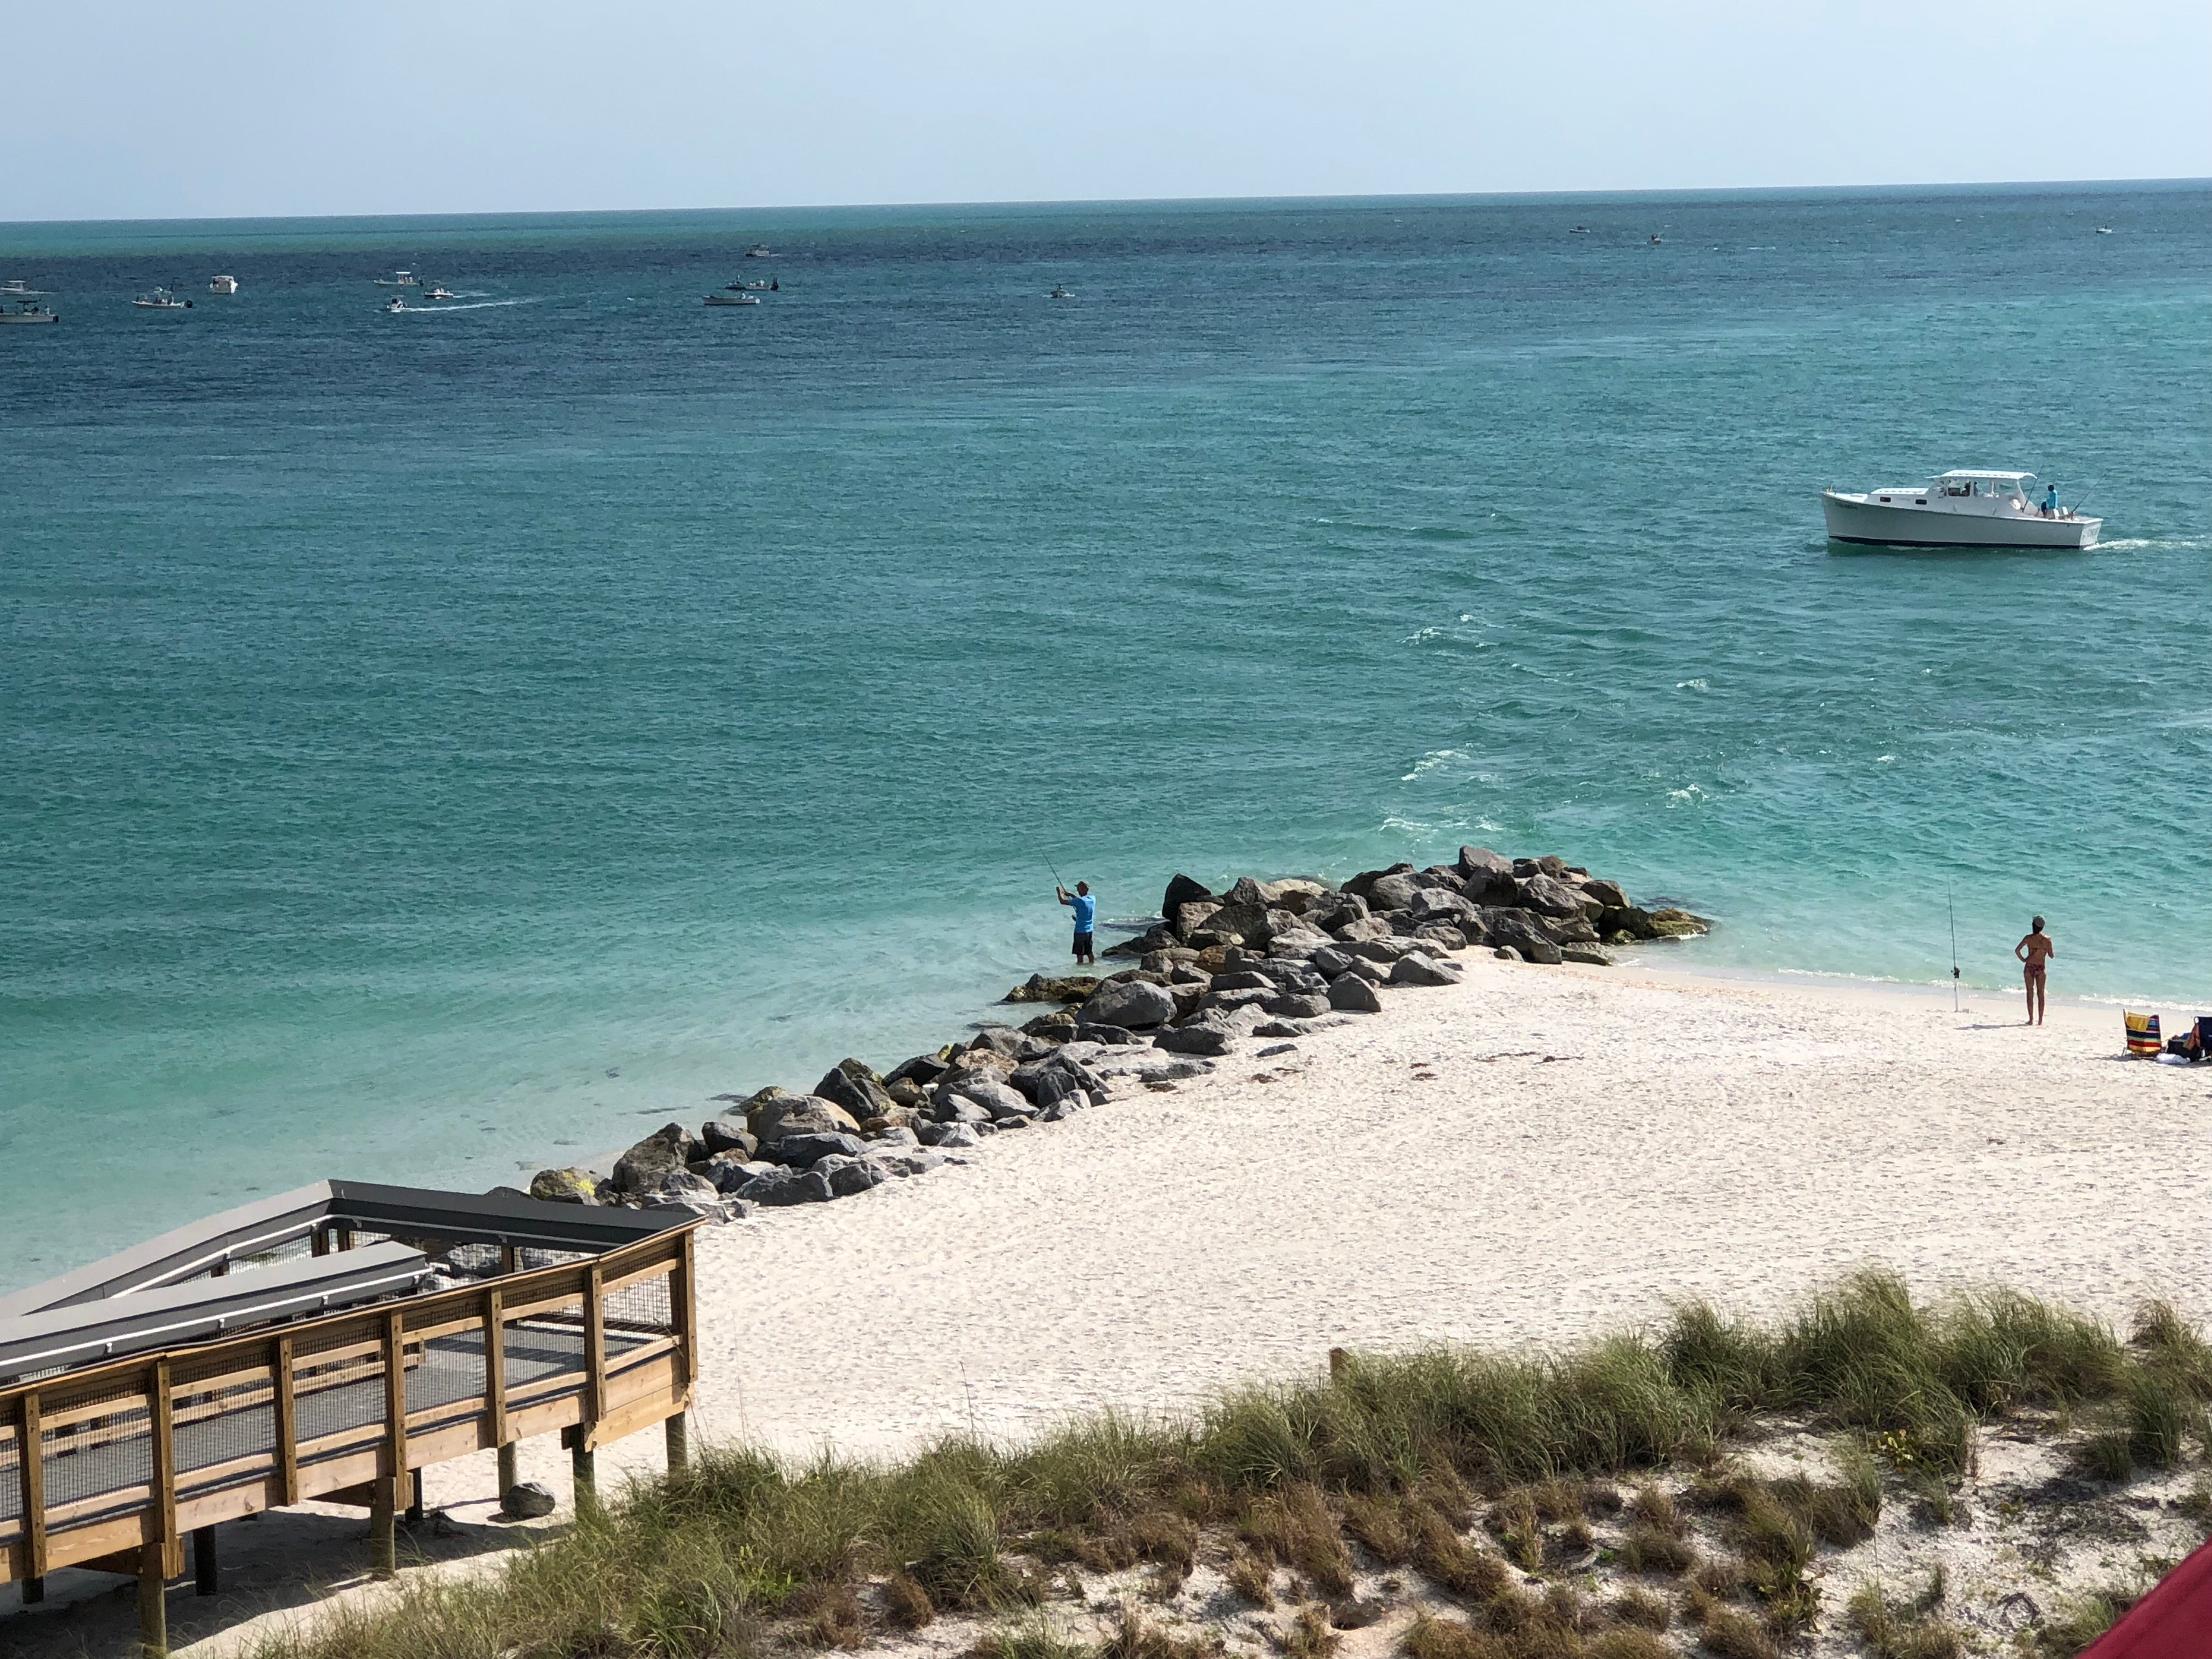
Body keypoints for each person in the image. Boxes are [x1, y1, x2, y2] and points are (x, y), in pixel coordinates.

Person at [2015, 916, 2055, 1025]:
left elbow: (2017, 950)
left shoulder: (2029, 938)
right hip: (2041, 968)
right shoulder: (2047, 940)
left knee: (2030, 993)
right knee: (2041, 994)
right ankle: (2040, 1020)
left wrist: (2024, 959)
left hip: (2029, 967)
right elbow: (2052, 956)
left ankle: (2031, 1019)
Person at [1057, 881, 1096, 966]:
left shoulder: (1079, 901)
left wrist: (1059, 892)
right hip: (1089, 931)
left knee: (1080, 954)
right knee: (1089, 952)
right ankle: (1093, 965)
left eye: (1078, 889)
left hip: (1080, 932)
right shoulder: (1093, 899)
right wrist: (1071, 895)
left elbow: (1062, 901)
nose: (1078, 891)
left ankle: (1081, 972)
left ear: (1082, 889)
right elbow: (1080, 902)